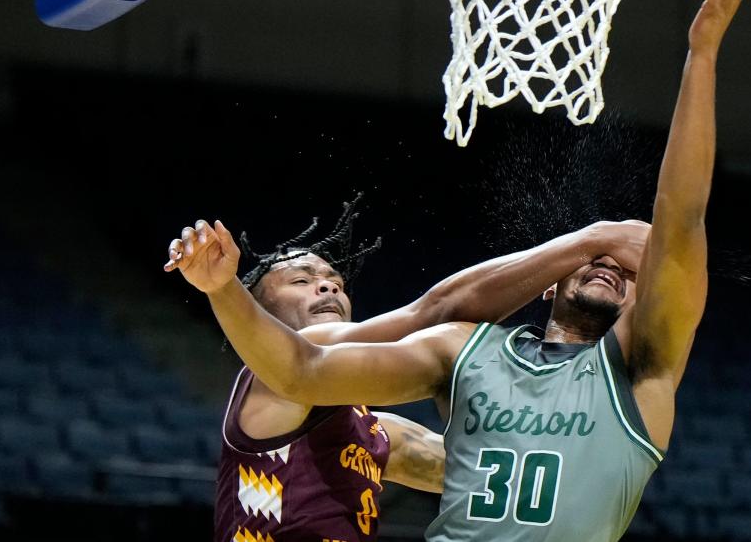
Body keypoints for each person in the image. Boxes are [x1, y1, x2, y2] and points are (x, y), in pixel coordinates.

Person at [168, 0, 751, 541]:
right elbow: (314, 362)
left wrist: (701, 56)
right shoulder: (463, 353)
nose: (328, 284)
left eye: (627, 271)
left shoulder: (641, 371)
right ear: (552, 285)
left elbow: (681, 220)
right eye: (301, 281)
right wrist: (224, 290)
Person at [166, 198, 648, 542]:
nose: (327, 288)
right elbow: (435, 314)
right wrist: (592, 242)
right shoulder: (271, 382)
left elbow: (500, 468)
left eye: (335, 282)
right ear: (260, 309)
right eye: (302, 280)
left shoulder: (375, 434)